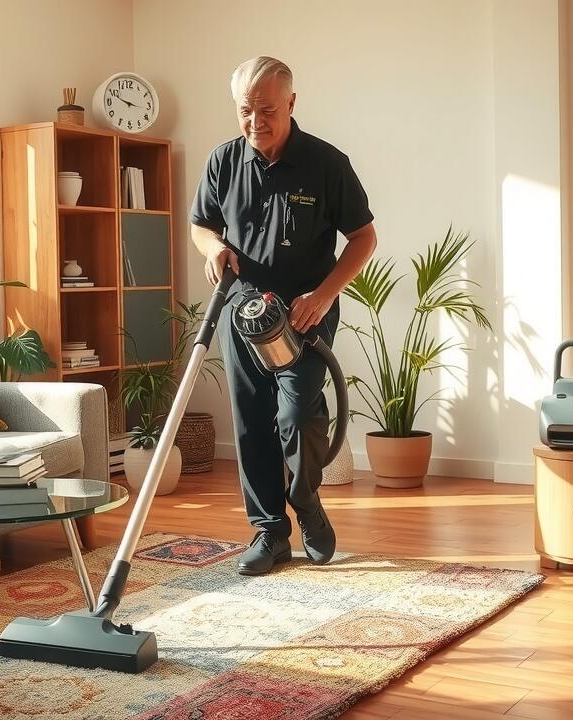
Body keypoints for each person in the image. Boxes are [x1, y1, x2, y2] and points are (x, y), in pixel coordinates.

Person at [189, 56, 378, 576]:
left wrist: (323, 295)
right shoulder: (223, 162)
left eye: (267, 110)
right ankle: (268, 532)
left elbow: (364, 238)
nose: (256, 122)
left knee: (297, 416)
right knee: (252, 423)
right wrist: (211, 249)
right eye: (245, 111)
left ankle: (307, 500)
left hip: (303, 315)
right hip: (242, 310)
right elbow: (201, 225)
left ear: (291, 104)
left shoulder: (326, 164)